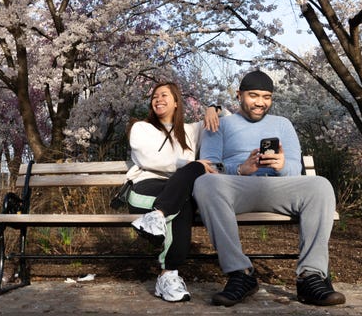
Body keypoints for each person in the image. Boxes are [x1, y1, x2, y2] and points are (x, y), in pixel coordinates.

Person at [194, 70, 346, 307]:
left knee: (320, 185)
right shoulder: (219, 124)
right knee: (204, 183)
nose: (260, 102)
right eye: (253, 95)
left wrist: (282, 165)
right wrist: (240, 168)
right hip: (238, 187)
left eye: (266, 97)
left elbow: (295, 168)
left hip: (277, 187)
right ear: (239, 95)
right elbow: (209, 166)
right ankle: (240, 274)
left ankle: (310, 276)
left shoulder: (283, 124)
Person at [124, 82, 220, 303]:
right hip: (146, 189)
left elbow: (221, 120)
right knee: (193, 170)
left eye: (164, 95)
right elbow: (148, 159)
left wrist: (213, 108)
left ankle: (168, 275)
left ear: (177, 102)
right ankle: (168, 271)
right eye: (155, 96)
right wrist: (187, 163)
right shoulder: (141, 127)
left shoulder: (190, 131)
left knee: (185, 196)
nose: (158, 99)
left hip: (178, 193)